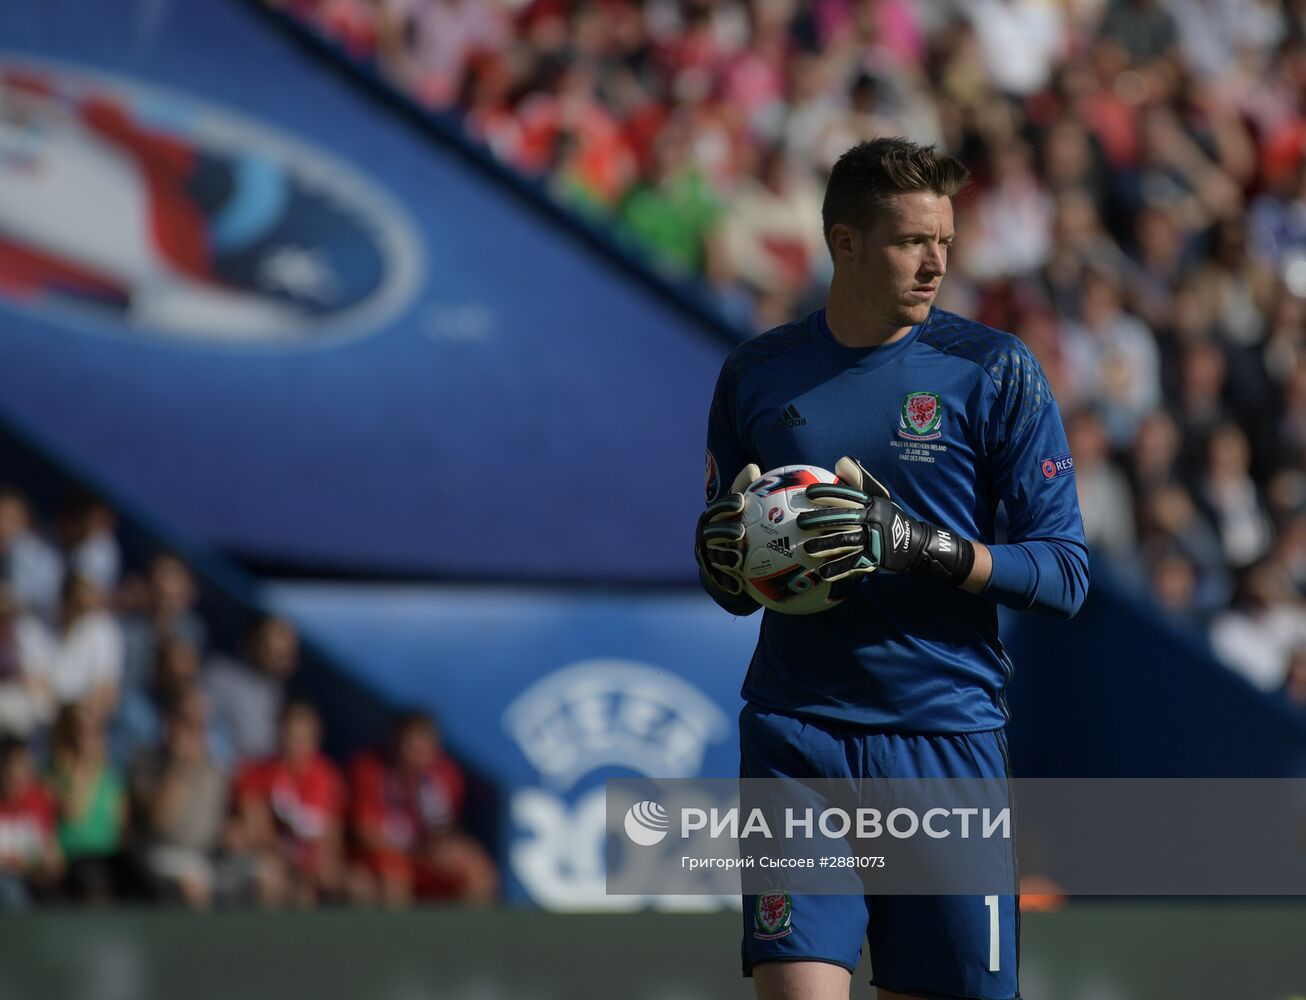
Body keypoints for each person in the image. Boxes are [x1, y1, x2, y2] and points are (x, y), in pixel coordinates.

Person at [694, 137, 1088, 1000]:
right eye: (913, 241)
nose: (936, 262)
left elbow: (1064, 572)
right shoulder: (756, 375)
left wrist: (924, 548)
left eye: (945, 240)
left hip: (945, 735)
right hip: (798, 733)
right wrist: (723, 564)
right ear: (844, 244)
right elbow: (734, 574)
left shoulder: (995, 370)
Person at [347, 711, 498, 907]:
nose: (419, 752)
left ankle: (466, 936)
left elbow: (447, 828)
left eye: (426, 743)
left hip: (426, 860)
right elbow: (366, 833)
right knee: (390, 876)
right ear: (396, 743)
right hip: (385, 858)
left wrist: (447, 849)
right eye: (411, 744)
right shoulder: (369, 770)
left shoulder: (445, 775)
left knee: (479, 871)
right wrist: (416, 851)